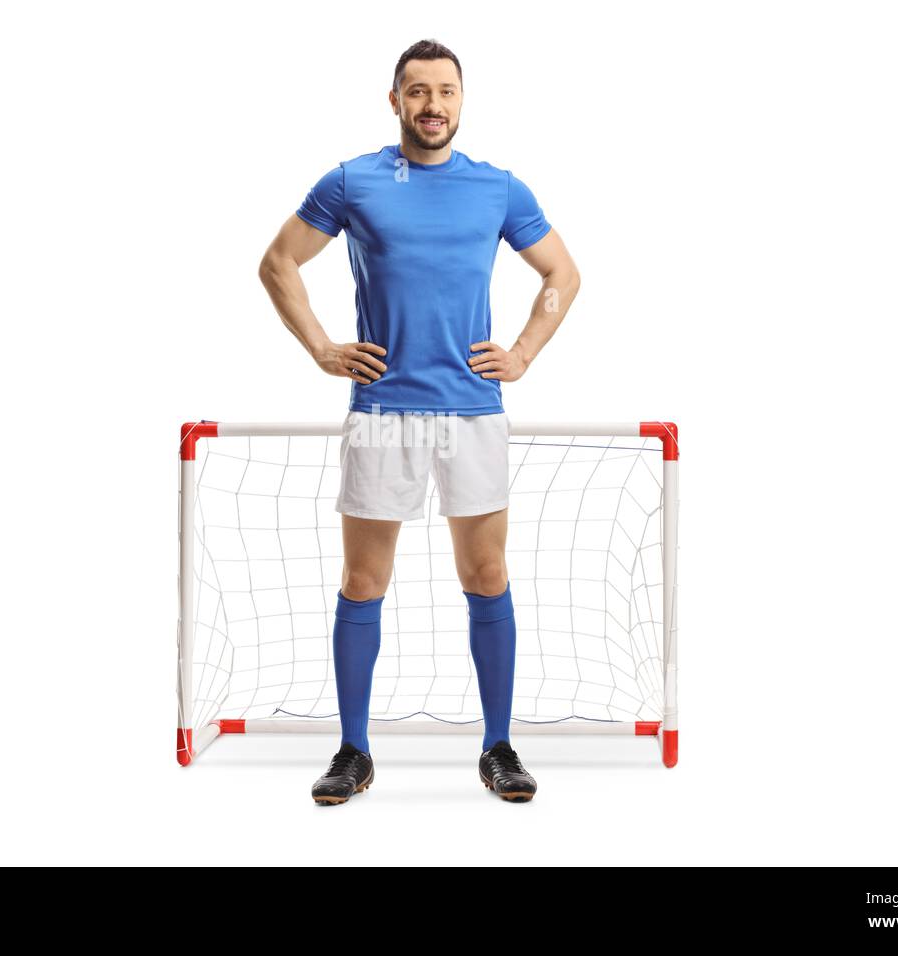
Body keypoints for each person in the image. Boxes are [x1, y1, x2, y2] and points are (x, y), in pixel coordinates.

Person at [258, 39, 581, 805]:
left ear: (461, 102)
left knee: (488, 574)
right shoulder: (353, 181)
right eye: (418, 91)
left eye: (446, 92)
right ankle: (354, 751)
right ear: (395, 100)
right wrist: (322, 349)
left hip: (473, 409)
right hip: (382, 410)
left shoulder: (498, 188)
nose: (433, 104)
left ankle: (499, 746)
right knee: (364, 580)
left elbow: (563, 273)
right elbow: (278, 263)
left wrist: (526, 352)